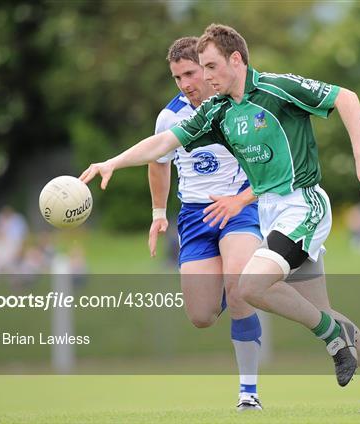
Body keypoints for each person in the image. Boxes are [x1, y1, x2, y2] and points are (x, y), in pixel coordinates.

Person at [80, 24, 360, 413]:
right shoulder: (219, 112)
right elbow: (164, 144)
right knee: (320, 310)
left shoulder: (276, 87)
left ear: (235, 60)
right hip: (273, 213)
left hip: (304, 206)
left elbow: (347, 98)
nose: (203, 78)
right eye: (197, 70)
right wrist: (113, 163)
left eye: (209, 67)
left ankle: (331, 336)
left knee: (250, 287)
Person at [149, 37, 264, 411]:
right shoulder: (170, 116)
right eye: (177, 77)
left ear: (208, 67)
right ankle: (237, 286)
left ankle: (249, 393)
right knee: (201, 316)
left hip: (237, 208)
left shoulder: (238, 104)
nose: (184, 83)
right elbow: (157, 161)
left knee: (240, 283)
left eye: (190, 73)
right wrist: (158, 213)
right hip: (195, 217)